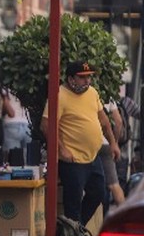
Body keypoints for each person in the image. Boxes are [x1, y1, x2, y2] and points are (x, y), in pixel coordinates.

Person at [42, 61, 117, 225]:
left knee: (98, 193)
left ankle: (77, 230)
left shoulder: (92, 92)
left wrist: (113, 142)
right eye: (82, 77)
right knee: (73, 202)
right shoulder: (59, 95)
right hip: (73, 159)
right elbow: (46, 125)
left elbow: (104, 120)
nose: (87, 81)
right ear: (71, 79)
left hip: (92, 156)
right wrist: (62, 149)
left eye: (89, 77)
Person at [2, 93, 32, 162]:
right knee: (27, 160)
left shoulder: (5, 89)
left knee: (13, 160)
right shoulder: (25, 88)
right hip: (27, 124)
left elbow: (10, 112)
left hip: (11, 124)